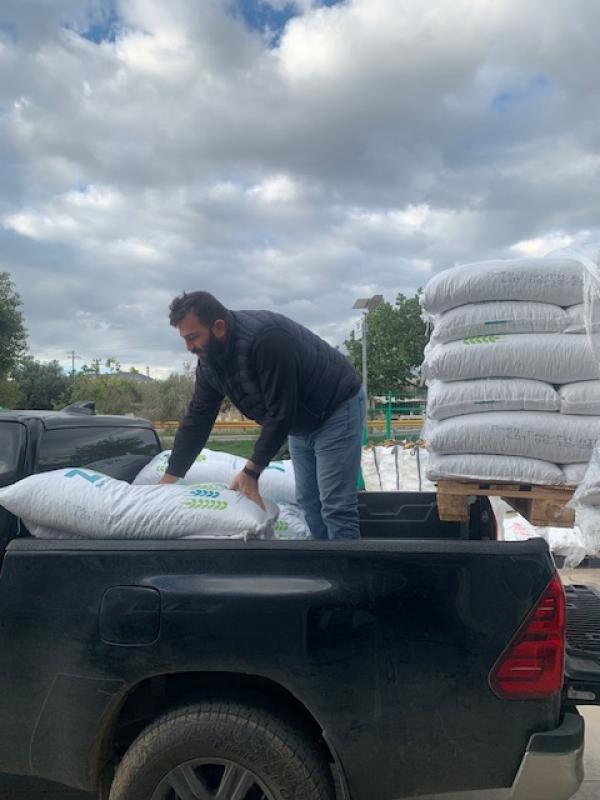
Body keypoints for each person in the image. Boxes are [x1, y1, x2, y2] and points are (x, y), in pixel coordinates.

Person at [160, 291, 366, 540]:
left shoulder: (266, 340)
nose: (189, 347)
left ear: (219, 327)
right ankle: (325, 559)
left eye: (193, 337)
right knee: (309, 501)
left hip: (336, 408)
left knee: (335, 506)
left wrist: (251, 472)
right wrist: (168, 480)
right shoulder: (209, 363)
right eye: (185, 339)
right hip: (300, 420)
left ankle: (348, 564)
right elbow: (198, 418)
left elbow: (280, 412)